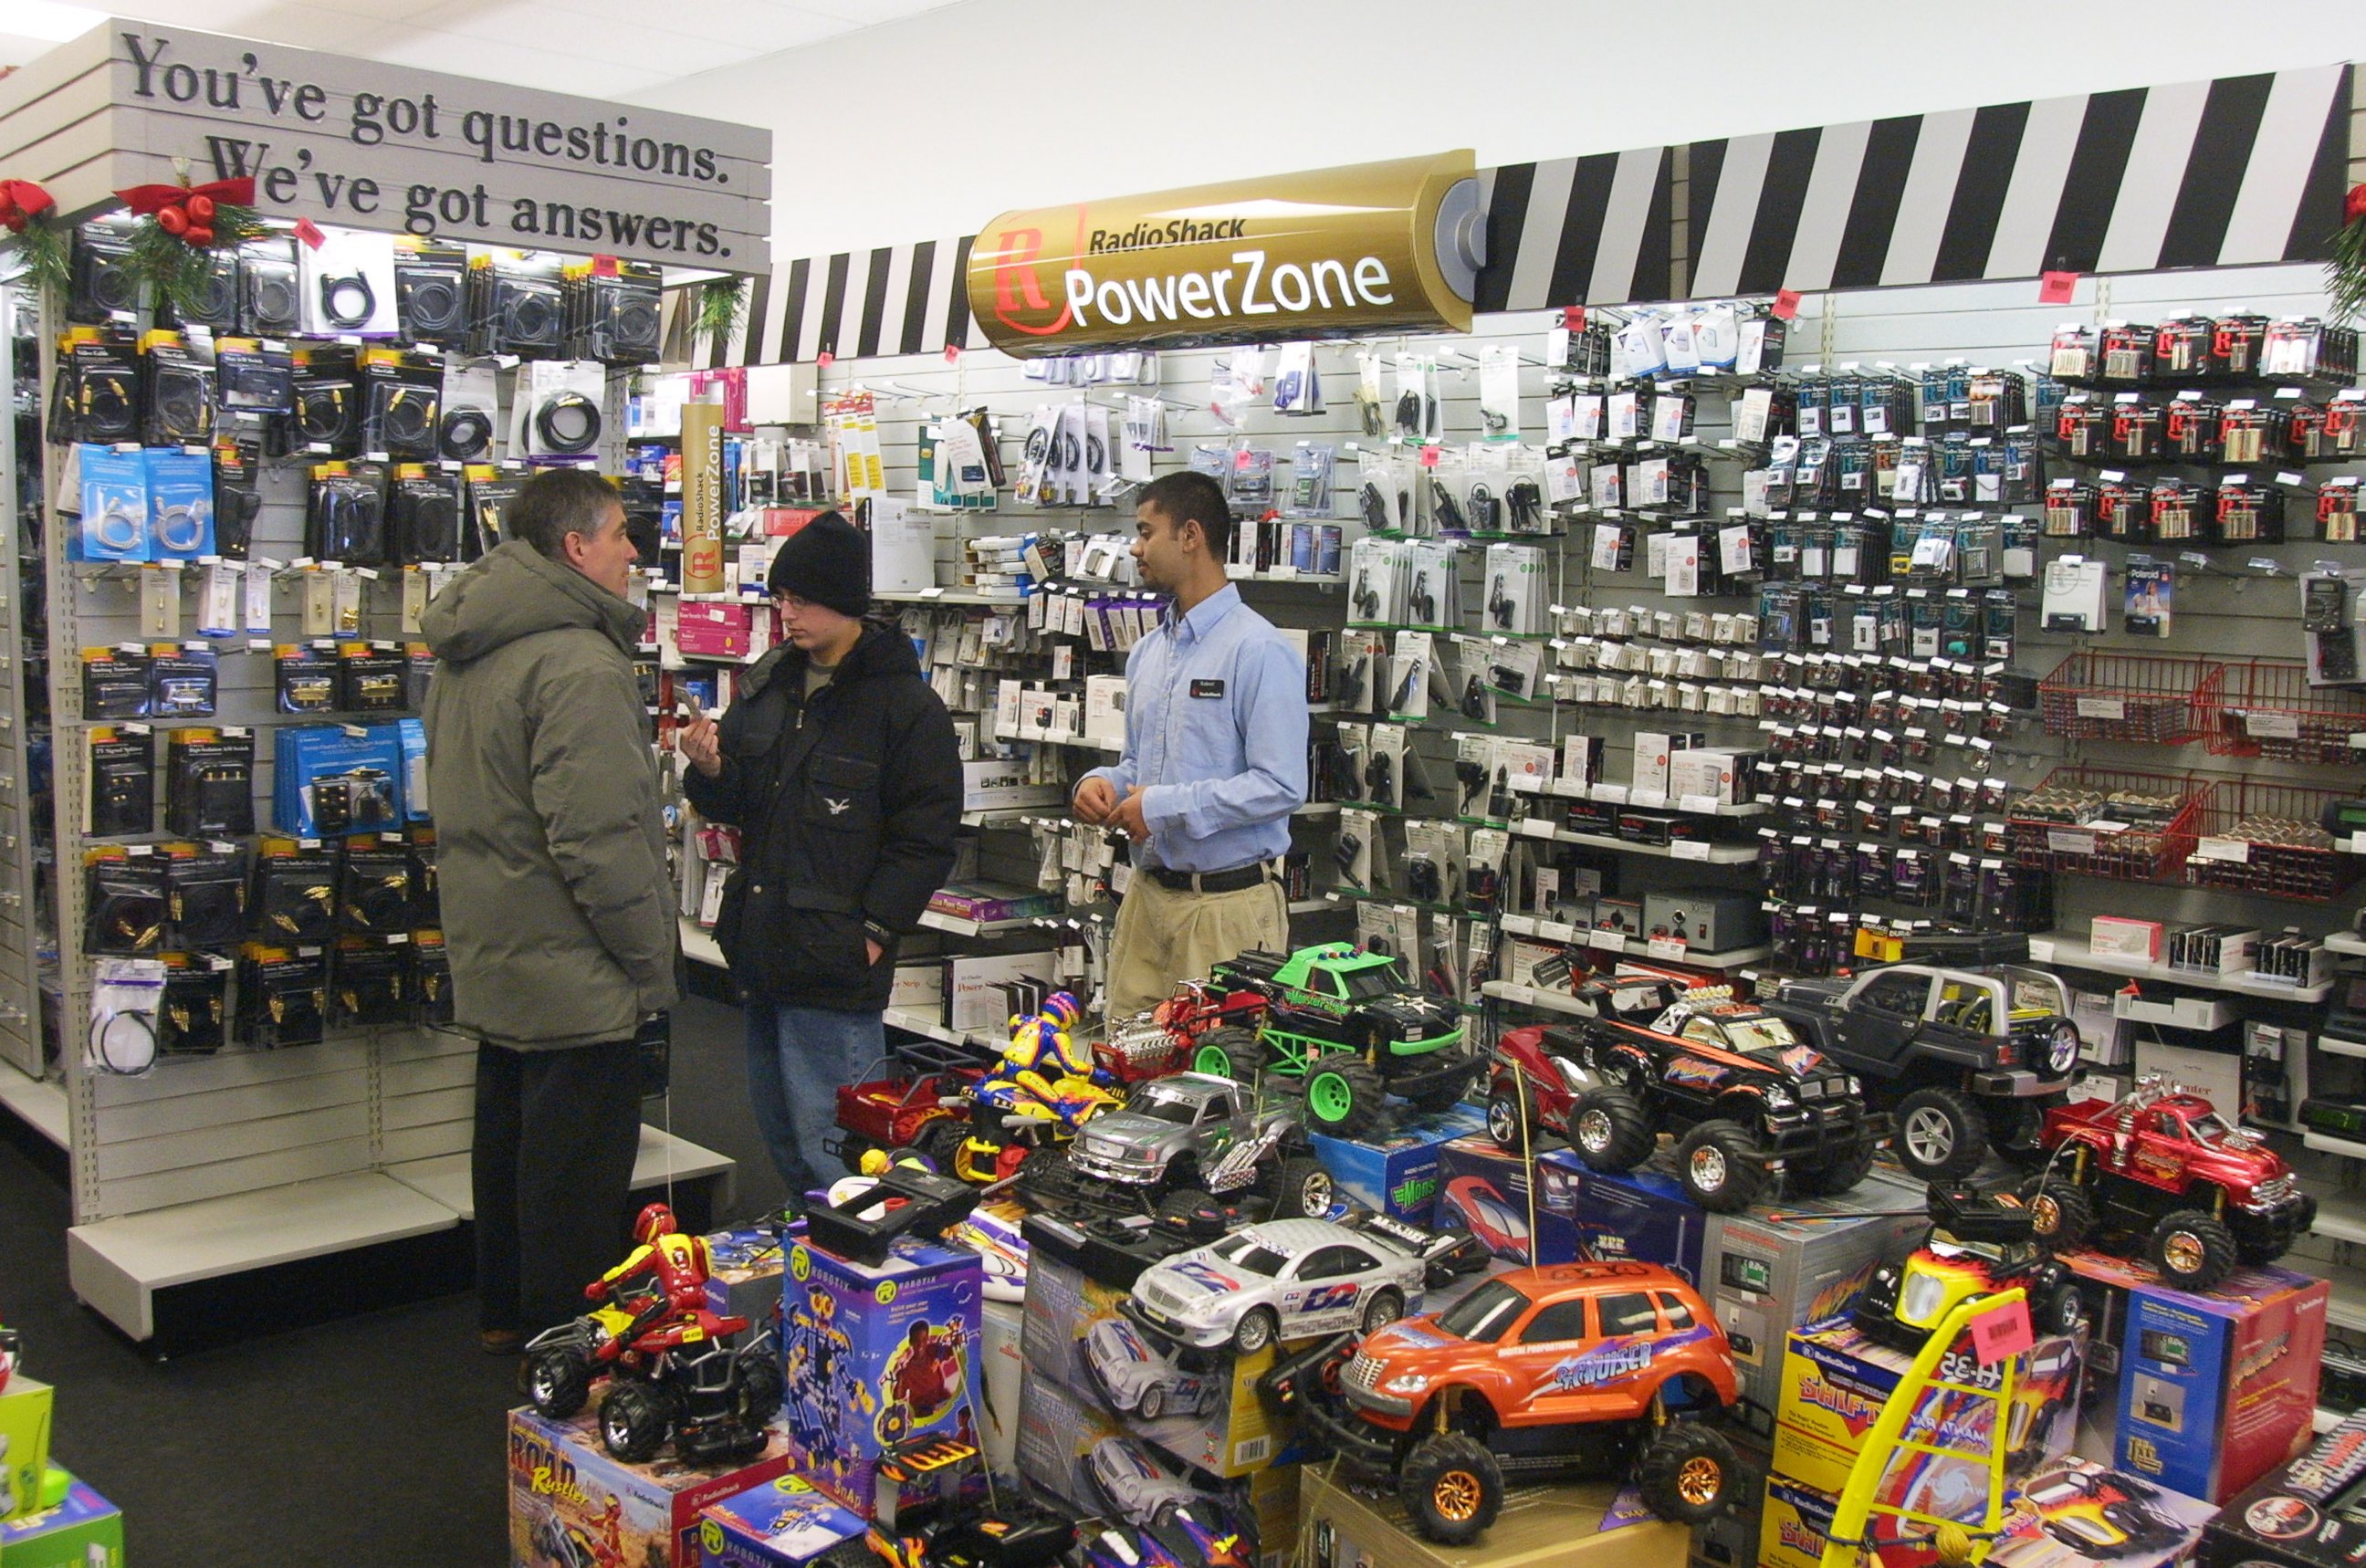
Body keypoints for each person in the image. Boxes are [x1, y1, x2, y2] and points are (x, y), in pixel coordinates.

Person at [420, 468, 676, 1355]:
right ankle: (565, 1357)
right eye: (619, 534)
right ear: (576, 546)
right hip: (575, 961)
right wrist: (651, 963)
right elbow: (597, 837)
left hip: (497, 941)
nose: (634, 551)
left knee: (509, 1141)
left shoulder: (469, 645)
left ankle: (507, 1314)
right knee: (575, 1173)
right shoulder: (577, 660)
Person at [679, 512, 961, 1207]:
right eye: (780, 600)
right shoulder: (770, 686)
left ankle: (864, 1272)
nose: (786, 616)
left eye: (801, 601)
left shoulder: (905, 708)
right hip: (764, 944)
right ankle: (815, 1264)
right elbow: (738, 803)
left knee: (843, 1146)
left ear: (845, 602)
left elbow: (925, 837)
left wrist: (873, 932)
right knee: (779, 1128)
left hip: (836, 956)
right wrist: (709, 770)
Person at [1075, 470, 1310, 1019]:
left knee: (1218, 1082)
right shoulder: (1148, 652)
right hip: (1147, 900)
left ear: (1190, 536)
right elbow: (1140, 764)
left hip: (1226, 912)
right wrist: (1100, 784)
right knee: (1125, 1069)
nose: (1135, 548)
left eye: (1145, 531)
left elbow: (1280, 786)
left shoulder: (1258, 650)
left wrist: (1160, 808)